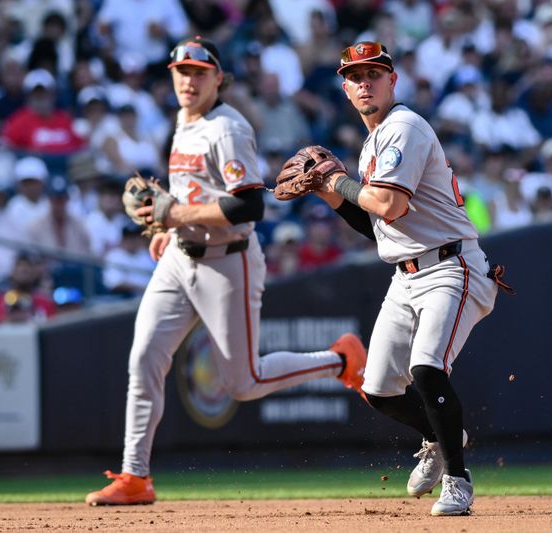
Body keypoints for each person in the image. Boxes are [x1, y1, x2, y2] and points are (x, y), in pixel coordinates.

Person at [85, 37, 366, 506]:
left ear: (219, 78)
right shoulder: (183, 121)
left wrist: (176, 215)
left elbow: (248, 205)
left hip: (228, 261)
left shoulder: (228, 128)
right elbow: (188, 193)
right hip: (179, 255)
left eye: (198, 72)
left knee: (242, 382)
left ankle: (341, 360)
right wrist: (168, 227)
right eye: (181, 72)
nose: (188, 80)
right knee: (144, 359)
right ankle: (135, 477)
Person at [307, 41, 512, 516]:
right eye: (354, 76)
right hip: (406, 274)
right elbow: (378, 224)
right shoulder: (372, 144)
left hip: (451, 267)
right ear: (344, 87)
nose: (364, 83)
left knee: (425, 368)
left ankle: (458, 480)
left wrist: (337, 182)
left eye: (373, 73)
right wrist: (331, 197)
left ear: (392, 80)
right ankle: (441, 436)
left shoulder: (404, 127)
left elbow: (390, 205)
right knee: (377, 388)